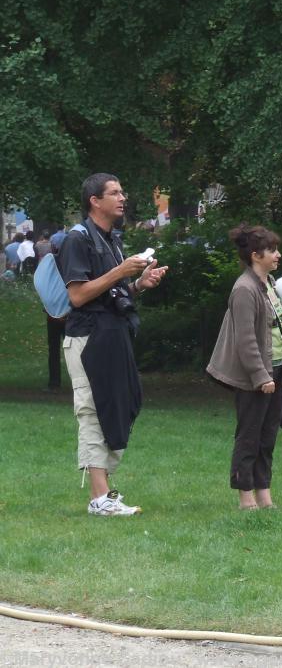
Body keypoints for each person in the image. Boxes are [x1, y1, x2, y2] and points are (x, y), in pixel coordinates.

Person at [59, 173, 168, 516]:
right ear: (95, 200)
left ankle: (103, 494)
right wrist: (121, 272)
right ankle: (99, 497)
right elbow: (78, 296)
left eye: (122, 191)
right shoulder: (77, 240)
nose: (123, 198)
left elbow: (109, 292)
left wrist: (138, 284)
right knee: (92, 410)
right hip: (88, 337)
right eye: (115, 193)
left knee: (123, 405)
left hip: (112, 333)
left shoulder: (111, 239)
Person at [207, 224, 282, 510]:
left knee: (267, 436)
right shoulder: (244, 290)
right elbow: (246, 340)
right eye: (272, 250)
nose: (278, 255)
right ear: (256, 255)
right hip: (255, 377)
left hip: (277, 370)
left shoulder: (269, 283)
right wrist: (261, 377)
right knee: (249, 436)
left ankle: (264, 494)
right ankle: (245, 496)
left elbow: (272, 324)